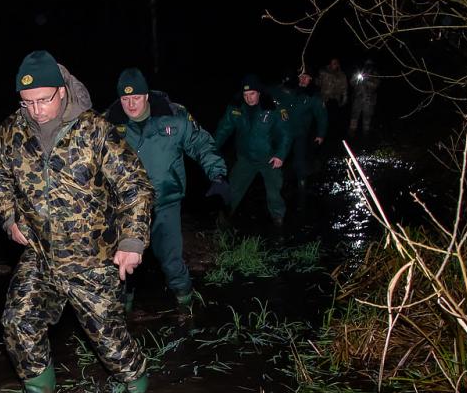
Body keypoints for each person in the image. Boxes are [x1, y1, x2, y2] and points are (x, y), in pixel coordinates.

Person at [0, 51, 155, 393]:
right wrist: (8, 216)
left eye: (44, 100)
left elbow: (135, 185)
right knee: (18, 322)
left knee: (111, 344)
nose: (36, 110)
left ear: (62, 91)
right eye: (27, 102)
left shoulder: (95, 130)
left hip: (93, 259)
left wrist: (132, 241)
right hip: (41, 255)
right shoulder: (13, 131)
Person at [106, 68, 227, 320]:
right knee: (123, 264)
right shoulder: (108, 123)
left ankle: (187, 306)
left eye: (136, 98)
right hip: (126, 207)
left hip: (165, 202)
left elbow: (200, 143)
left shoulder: (174, 116)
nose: (130, 104)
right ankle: (123, 315)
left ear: (146, 96)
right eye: (125, 99)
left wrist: (217, 174)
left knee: (171, 259)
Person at [209, 73, 291, 230]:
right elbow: (223, 130)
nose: (249, 98)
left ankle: (278, 219)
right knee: (233, 188)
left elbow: (285, 134)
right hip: (245, 158)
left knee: (274, 191)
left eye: (252, 93)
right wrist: (211, 149)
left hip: (269, 158)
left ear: (259, 92)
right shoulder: (236, 107)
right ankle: (225, 217)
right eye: (245, 94)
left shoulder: (273, 107)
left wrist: (280, 155)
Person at [273, 69, 329, 201]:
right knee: (278, 156)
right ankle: (276, 184)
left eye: (306, 77)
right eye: (301, 77)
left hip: (300, 133)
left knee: (300, 159)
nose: (303, 79)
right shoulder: (288, 90)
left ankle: (301, 184)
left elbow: (321, 116)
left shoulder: (313, 96)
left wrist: (321, 134)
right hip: (282, 133)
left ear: (311, 79)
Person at [317, 57, 349, 139]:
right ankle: (321, 134)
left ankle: (333, 136)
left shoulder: (342, 75)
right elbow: (318, 84)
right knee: (323, 118)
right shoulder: (323, 72)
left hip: (335, 99)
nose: (333, 64)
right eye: (332, 63)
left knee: (334, 119)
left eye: (335, 63)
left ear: (338, 64)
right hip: (324, 99)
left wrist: (344, 99)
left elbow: (344, 88)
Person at [349, 60, 380, 137]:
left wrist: (366, 80)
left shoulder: (374, 74)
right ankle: (352, 131)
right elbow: (352, 82)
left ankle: (366, 132)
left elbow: (376, 85)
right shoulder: (359, 72)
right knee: (354, 115)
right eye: (366, 64)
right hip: (358, 98)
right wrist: (358, 78)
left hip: (369, 100)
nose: (367, 66)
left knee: (367, 117)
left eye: (369, 64)